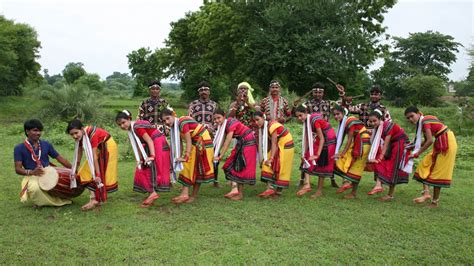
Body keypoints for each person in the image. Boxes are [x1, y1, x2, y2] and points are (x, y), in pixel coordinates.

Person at [404, 106, 457, 208]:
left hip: (446, 143)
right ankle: (426, 193)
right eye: (408, 118)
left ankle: (434, 202)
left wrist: (417, 153)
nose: (410, 119)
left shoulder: (425, 121)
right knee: (425, 163)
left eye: (412, 116)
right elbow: (425, 140)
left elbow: (429, 141)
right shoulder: (422, 123)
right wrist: (409, 146)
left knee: (438, 172)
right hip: (440, 142)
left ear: (419, 113)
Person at [116, 110, 171, 208]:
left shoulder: (137, 127)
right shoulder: (132, 129)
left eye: (123, 122)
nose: (122, 126)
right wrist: (141, 159)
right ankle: (152, 192)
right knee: (144, 167)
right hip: (152, 144)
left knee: (153, 167)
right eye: (120, 125)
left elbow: (149, 140)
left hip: (157, 143)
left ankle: (153, 193)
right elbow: (138, 144)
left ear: (129, 119)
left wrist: (152, 156)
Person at [14, 119, 74, 207]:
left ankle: (45, 200)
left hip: (48, 173)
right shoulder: (19, 148)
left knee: (65, 182)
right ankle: (50, 202)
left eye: (40, 130)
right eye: (35, 130)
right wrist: (31, 172)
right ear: (27, 131)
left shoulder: (46, 144)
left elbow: (60, 158)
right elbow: (18, 169)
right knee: (35, 189)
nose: (38, 133)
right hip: (32, 175)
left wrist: (74, 169)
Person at [162, 108, 214, 204]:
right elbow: (180, 145)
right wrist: (178, 157)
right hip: (196, 143)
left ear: (174, 115)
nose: (167, 122)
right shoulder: (175, 127)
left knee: (194, 168)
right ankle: (185, 194)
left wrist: (185, 157)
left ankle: (189, 195)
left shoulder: (182, 122)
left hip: (202, 142)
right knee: (189, 167)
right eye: (164, 121)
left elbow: (188, 140)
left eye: (168, 118)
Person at [66, 119, 118, 211]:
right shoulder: (80, 138)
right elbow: (78, 156)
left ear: (82, 129)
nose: (74, 136)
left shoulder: (93, 134)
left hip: (108, 147)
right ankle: (94, 199)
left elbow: (93, 156)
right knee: (84, 172)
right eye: (72, 134)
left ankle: (94, 200)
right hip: (99, 149)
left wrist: (97, 174)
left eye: (76, 133)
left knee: (97, 172)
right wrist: (74, 171)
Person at [213, 109, 257, 200]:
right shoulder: (223, 126)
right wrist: (215, 152)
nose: (217, 121)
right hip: (242, 142)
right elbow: (221, 141)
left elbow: (228, 141)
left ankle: (239, 194)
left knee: (239, 165)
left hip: (248, 142)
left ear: (224, 116)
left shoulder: (231, 122)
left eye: (219, 118)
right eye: (215, 119)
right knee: (229, 164)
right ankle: (234, 189)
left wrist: (221, 155)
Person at [366, 110, 410, 201]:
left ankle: (390, 195)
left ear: (380, 120)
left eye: (375, 121)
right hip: (392, 144)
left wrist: (380, 156)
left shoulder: (387, 126)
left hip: (400, 144)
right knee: (380, 163)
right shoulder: (377, 129)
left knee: (393, 167)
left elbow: (385, 145)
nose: (373, 123)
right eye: (370, 121)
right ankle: (378, 185)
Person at [294, 106, 336, 198]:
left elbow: (321, 138)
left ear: (305, 112)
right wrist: (303, 153)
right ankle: (307, 184)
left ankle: (319, 191)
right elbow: (306, 138)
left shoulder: (314, 120)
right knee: (306, 157)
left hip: (328, 140)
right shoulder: (306, 122)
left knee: (323, 164)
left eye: (300, 115)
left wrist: (317, 154)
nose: (299, 118)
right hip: (320, 139)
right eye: (297, 117)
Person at [332, 106, 371, 199]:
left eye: (338, 114)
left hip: (362, 144)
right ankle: (346, 183)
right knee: (346, 162)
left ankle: (353, 193)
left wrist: (341, 153)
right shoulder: (344, 123)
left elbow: (349, 140)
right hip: (358, 143)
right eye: (334, 115)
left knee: (356, 167)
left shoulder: (350, 121)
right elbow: (341, 140)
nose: (336, 116)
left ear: (343, 113)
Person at [253, 111, 295, 198]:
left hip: (286, 145)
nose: (256, 123)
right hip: (278, 145)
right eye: (255, 121)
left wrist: (271, 158)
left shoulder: (272, 126)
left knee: (282, 167)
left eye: (257, 120)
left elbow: (274, 143)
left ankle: (278, 192)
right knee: (266, 163)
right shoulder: (265, 127)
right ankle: (270, 188)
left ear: (263, 118)